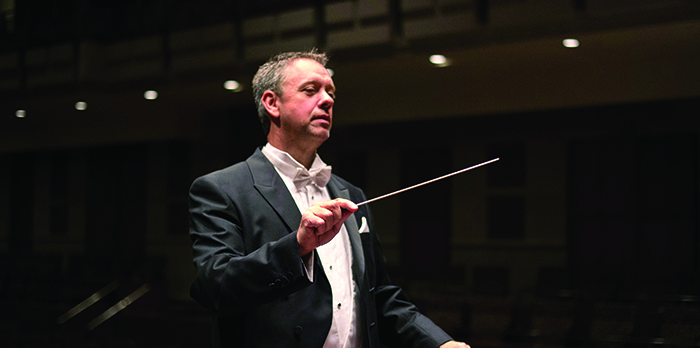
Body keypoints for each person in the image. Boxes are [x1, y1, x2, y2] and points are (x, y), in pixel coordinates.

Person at [188, 49, 470, 348]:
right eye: (311, 90)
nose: (328, 100)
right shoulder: (222, 189)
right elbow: (215, 289)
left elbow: (378, 293)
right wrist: (297, 247)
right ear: (272, 103)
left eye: (330, 92)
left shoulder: (351, 194)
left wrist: (439, 342)